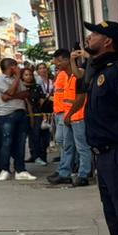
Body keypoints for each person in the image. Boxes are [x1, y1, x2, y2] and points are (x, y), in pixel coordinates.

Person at [76, 21, 118, 235]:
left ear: (107, 41)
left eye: (94, 34)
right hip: (104, 156)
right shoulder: (100, 70)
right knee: (115, 217)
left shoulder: (117, 72)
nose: (89, 37)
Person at [49, 47, 91, 187]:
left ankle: (83, 175)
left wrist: (70, 115)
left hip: (78, 117)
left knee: (82, 148)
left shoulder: (78, 74)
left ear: (67, 60)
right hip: (69, 117)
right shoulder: (65, 76)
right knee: (67, 146)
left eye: (59, 61)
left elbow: (80, 98)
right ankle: (64, 173)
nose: (57, 64)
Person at [0, 57, 36, 180]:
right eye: (15, 66)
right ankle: (4, 168)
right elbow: (11, 92)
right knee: (7, 142)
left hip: (20, 113)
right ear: (11, 67)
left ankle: (20, 169)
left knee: (21, 143)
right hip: (6, 114)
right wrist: (18, 77)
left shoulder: (16, 80)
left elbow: (25, 94)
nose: (18, 68)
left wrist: (10, 96)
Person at [22, 65, 51, 165]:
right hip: (24, 114)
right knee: (25, 137)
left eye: (30, 74)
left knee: (38, 135)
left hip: (37, 113)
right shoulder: (20, 87)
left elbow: (41, 99)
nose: (29, 77)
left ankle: (40, 156)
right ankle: (33, 155)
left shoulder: (37, 86)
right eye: (26, 75)